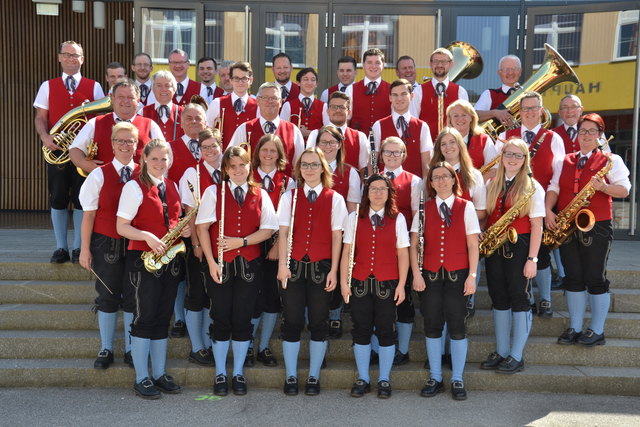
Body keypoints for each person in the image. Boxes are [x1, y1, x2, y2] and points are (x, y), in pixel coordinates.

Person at [196, 146, 278, 396]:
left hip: (249, 267)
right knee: (221, 317)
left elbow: (269, 229)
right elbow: (202, 229)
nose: (238, 170)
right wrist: (210, 262)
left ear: (249, 167)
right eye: (232, 166)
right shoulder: (213, 192)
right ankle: (221, 372)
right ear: (226, 169)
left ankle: (238, 372)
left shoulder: (260, 194)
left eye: (242, 165)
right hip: (220, 265)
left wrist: (241, 242)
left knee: (243, 318)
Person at [545, 113, 630, 347]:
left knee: (594, 276)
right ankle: (574, 326)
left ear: (600, 135)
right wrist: (549, 210)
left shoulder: (611, 160)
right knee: (573, 277)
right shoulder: (564, 160)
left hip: (598, 225)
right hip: (568, 224)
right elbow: (553, 187)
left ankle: (597, 329)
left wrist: (603, 187)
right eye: (583, 131)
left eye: (592, 131)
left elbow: (624, 190)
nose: (587, 136)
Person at [116, 139, 189, 399]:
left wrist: (185, 229)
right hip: (141, 260)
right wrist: (146, 235)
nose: (160, 164)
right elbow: (121, 226)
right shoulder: (133, 187)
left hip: (169, 261)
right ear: (145, 159)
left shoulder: (172, 186)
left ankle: (158, 374)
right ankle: (141, 377)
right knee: (143, 319)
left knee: (162, 319)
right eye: (155, 158)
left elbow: (173, 221)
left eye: (164, 159)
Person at [276, 147, 348, 396]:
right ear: (299, 169)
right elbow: (283, 233)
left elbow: (337, 237)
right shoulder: (289, 197)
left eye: (314, 164)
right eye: (304, 165)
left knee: (319, 321)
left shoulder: (335, 198)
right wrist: (282, 265)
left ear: (323, 168)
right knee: (292, 320)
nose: (309, 169)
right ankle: (291, 376)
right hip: (294, 266)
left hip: (322, 267)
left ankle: (314, 376)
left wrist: (335, 272)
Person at [411, 162, 479, 400]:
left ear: (453, 180)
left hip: (457, 275)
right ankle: (436, 376)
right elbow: (414, 244)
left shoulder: (466, 206)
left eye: (445, 176)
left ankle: (457, 378)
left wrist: (472, 275)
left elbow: (473, 244)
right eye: (435, 177)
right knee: (432, 325)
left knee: (458, 326)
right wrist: (416, 274)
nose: (440, 181)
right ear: (430, 183)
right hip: (429, 275)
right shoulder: (423, 208)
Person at [33, 40, 105, 263]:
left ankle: (78, 247)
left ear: (82, 59)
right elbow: (40, 118)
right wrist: (45, 137)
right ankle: (60, 247)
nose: (71, 59)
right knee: (58, 198)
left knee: (83, 199)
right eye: (67, 55)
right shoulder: (47, 85)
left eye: (76, 56)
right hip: (57, 153)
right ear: (59, 57)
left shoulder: (94, 86)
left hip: (84, 153)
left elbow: (100, 120)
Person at [496, 91, 565, 318]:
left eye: (534, 108)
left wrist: (547, 209)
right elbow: (496, 173)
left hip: (540, 206)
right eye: (525, 109)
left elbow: (557, 179)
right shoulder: (505, 135)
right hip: (509, 209)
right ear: (519, 111)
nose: (529, 113)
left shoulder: (553, 138)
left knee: (541, 254)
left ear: (542, 111)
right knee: (517, 257)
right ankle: (529, 298)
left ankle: (544, 299)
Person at [480, 138, 545, 374]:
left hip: (521, 248)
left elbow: (537, 226)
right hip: (496, 247)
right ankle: (502, 351)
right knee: (499, 298)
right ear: (502, 155)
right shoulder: (492, 184)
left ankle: (516, 356)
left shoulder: (533, 187)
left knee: (519, 297)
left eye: (518, 155)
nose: (512, 159)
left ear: (525, 159)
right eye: (509, 154)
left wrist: (532, 259)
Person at [78, 121, 140, 370]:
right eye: (120, 141)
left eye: (130, 141)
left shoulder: (145, 172)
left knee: (134, 297)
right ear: (112, 144)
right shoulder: (98, 174)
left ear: (137, 145)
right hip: (106, 243)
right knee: (107, 295)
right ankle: (106, 348)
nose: (125, 145)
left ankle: (130, 349)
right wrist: (85, 249)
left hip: (136, 244)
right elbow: (89, 216)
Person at [341, 174, 409, 399]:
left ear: (389, 193)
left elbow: (403, 254)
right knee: (360, 329)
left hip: (387, 282)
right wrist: (344, 282)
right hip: (360, 281)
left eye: (383, 189)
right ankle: (363, 377)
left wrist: (401, 285)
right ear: (366, 192)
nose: (378, 192)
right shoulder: (353, 218)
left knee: (386, 330)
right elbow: (347, 252)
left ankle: (384, 379)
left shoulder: (398, 218)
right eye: (373, 188)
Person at [246, 134, 296, 367]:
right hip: (252, 243)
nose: (268, 154)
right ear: (257, 153)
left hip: (277, 245)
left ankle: (263, 346)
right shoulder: (248, 176)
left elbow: (289, 219)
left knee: (271, 297)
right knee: (251, 295)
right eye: (264, 150)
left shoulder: (288, 181)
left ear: (279, 154)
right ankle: (246, 345)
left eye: (273, 151)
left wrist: (277, 244)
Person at [178, 128, 223, 365]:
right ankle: (197, 347)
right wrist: (195, 243)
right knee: (196, 292)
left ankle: (207, 342)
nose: (210, 151)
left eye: (214, 146)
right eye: (205, 147)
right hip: (198, 241)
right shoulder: (191, 172)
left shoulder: (228, 169)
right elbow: (189, 212)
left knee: (212, 294)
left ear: (221, 146)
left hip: (222, 243)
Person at [378, 137, 422, 365]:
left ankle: (402, 350)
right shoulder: (374, 179)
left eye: (397, 152)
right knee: (377, 298)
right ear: (381, 154)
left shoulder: (414, 181)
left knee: (403, 300)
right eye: (388, 152)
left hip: (401, 247)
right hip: (376, 247)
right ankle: (378, 348)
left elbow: (416, 218)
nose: (392, 156)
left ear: (404, 155)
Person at [166, 102, 208, 338]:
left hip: (207, 222)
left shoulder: (211, 149)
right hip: (179, 220)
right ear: (181, 122)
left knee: (198, 270)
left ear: (205, 122)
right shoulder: (170, 149)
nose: (194, 122)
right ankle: (180, 317)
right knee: (179, 270)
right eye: (189, 118)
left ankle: (199, 313)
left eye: (198, 118)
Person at [315, 126, 362, 338]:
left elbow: (353, 209)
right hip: (314, 233)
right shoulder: (308, 167)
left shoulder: (350, 172)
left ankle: (335, 314)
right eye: (323, 142)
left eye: (331, 142)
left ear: (339, 145)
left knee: (334, 275)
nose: (327, 147)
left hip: (339, 233)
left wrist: (349, 238)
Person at [70, 79, 164, 173]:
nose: (125, 101)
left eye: (130, 97)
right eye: (121, 97)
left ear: (138, 100)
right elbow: (75, 149)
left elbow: (162, 153)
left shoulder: (151, 125)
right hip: (104, 184)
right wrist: (85, 164)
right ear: (112, 98)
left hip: (140, 185)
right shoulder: (95, 123)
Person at [229, 82, 305, 177]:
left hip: (285, 189)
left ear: (280, 102)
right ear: (257, 101)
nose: (270, 101)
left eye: (274, 98)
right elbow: (230, 160)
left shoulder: (294, 131)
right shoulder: (243, 129)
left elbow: (301, 165)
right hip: (251, 188)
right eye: (265, 98)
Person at [372, 79, 433, 178]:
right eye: (395, 95)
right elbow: (373, 159)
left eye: (404, 94)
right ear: (390, 98)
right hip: (384, 188)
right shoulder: (378, 125)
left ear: (412, 96)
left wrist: (425, 190)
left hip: (414, 188)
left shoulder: (422, 127)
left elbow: (426, 164)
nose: (399, 98)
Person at [307, 91, 370, 172]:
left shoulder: (360, 137)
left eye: (342, 107)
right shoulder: (315, 134)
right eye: (333, 107)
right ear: (328, 111)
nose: (338, 110)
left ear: (349, 112)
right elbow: (309, 162)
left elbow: (363, 168)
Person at [415, 48, 469, 140]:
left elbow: (465, 124)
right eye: (436, 62)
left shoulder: (461, 92)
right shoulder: (418, 91)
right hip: (426, 147)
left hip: (452, 147)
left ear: (451, 64)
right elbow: (414, 122)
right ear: (430, 64)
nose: (439, 65)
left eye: (444, 62)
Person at [206, 61, 258, 149]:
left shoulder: (258, 105)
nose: (240, 82)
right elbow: (207, 130)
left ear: (251, 80)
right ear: (231, 80)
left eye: (244, 78)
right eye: (236, 78)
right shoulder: (217, 103)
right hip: (222, 158)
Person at [447, 99, 497, 171]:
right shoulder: (443, 140)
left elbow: (494, 169)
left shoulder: (483, 140)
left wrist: (478, 181)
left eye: (464, 115)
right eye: (455, 116)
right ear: (450, 119)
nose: (460, 119)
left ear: (471, 117)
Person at [280, 68, 329, 140]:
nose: (309, 83)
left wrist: (308, 133)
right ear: (298, 83)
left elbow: (328, 130)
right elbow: (282, 129)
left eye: (313, 80)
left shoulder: (324, 106)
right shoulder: (288, 105)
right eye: (305, 79)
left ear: (316, 84)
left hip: (316, 148)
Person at [350, 48, 391, 132]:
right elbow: (346, 119)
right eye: (369, 63)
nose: (373, 66)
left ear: (383, 65)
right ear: (363, 65)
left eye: (377, 63)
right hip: (358, 140)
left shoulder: (391, 89)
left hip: (384, 139)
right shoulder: (351, 89)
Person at [475, 55, 522, 126]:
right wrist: (495, 113)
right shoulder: (489, 94)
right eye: (506, 69)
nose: (510, 73)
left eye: (514, 69)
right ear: (499, 73)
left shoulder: (528, 95)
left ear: (520, 71)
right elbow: (473, 115)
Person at [141, 70, 184, 142]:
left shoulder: (184, 112)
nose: (163, 89)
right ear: (153, 89)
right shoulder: (142, 112)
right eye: (159, 85)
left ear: (174, 89)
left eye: (167, 86)